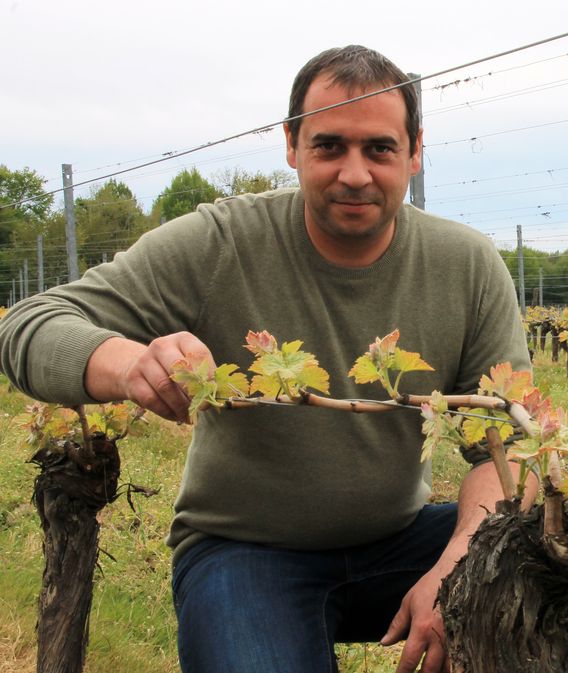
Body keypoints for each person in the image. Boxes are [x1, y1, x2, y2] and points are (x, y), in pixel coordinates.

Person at [0, 45, 530, 673]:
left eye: (379, 149)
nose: (355, 173)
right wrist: (129, 363)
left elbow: (508, 446)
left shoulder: (467, 265)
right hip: (246, 553)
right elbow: (28, 327)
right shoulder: (222, 240)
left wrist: (457, 568)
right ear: (291, 145)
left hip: (403, 540)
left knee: (561, 569)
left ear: (415, 152)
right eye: (329, 146)